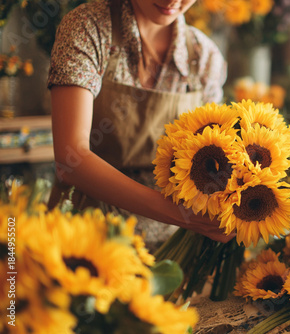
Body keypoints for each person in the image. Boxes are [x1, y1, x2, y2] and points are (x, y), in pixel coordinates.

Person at [47, 0, 234, 249]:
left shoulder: (204, 58)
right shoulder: (87, 27)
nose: (172, 1)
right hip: (84, 235)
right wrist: (183, 216)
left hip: (169, 249)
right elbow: (71, 160)